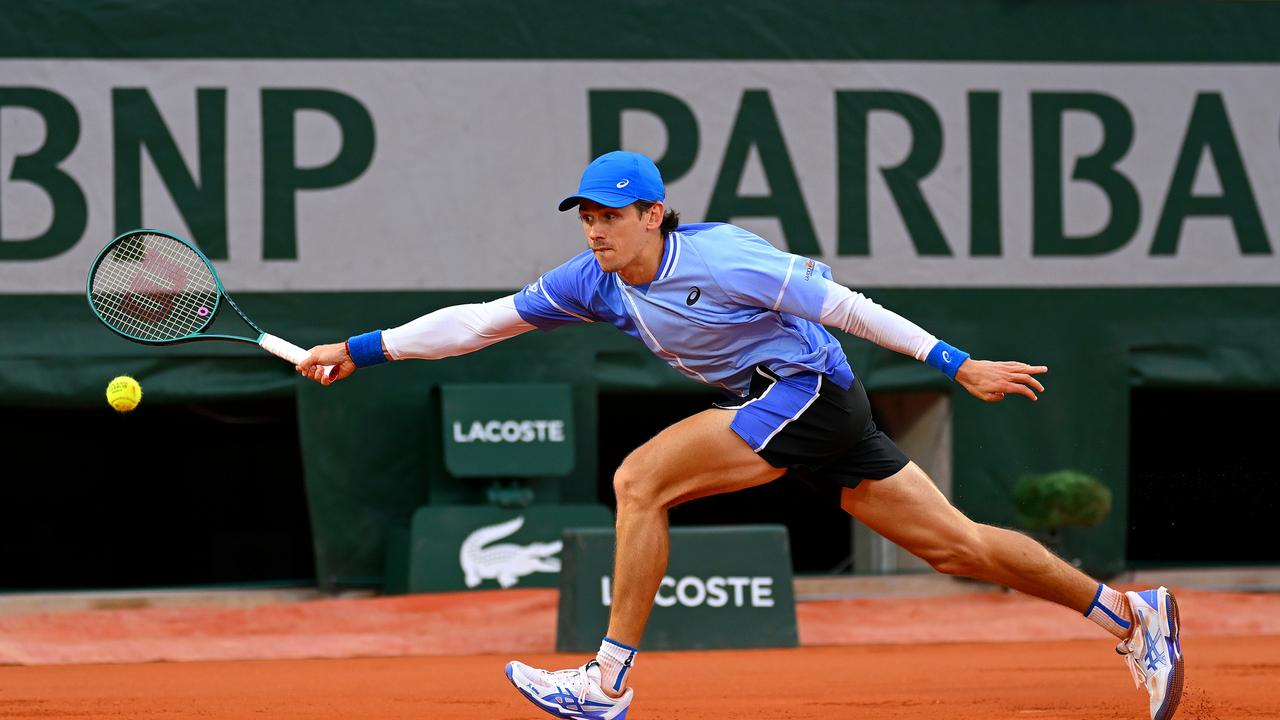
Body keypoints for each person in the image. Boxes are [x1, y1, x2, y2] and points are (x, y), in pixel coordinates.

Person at [297, 151, 1183, 720]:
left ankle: (606, 681)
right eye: (587, 216)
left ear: (655, 214)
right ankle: (1132, 617)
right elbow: (481, 323)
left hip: (807, 389)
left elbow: (843, 307)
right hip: (798, 406)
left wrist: (956, 364)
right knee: (956, 547)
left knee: (641, 480)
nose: (597, 228)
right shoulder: (591, 279)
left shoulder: (723, 257)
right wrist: (361, 350)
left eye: (613, 213)